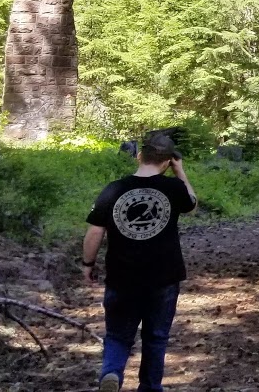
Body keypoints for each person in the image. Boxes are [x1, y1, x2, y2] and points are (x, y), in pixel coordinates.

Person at [82, 129, 198, 392]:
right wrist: (180, 172)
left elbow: (95, 231)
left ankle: (111, 373)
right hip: (164, 278)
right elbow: (192, 204)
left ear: (140, 156)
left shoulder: (114, 189)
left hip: (122, 276)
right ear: (168, 161)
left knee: (117, 335)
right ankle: (150, 387)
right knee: (156, 338)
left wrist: (87, 264)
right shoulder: (173, 188)